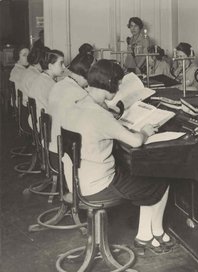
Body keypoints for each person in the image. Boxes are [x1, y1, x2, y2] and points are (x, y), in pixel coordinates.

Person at [61, 59, 174, 254]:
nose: (120, 87)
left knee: (141, 177)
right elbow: (136, 142)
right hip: (98, 186)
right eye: (119, 83)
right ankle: (148, 235)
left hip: (76, 182)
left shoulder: (76, 105)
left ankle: (151, 233)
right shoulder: (100, 116)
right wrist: (146, 131)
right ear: (111, 84)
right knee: (160, 179)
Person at [47, 53, 95, 168]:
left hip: (53, 150)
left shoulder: (59, 85)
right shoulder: (79, 93)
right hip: (65, 157)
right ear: (86, 73)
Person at [28, 49, 65, 129]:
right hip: (45, 126)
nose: (64, 67)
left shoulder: (42, 79)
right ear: (50, 66)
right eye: (61, 64)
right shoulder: (50, 84)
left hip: (37, 122)